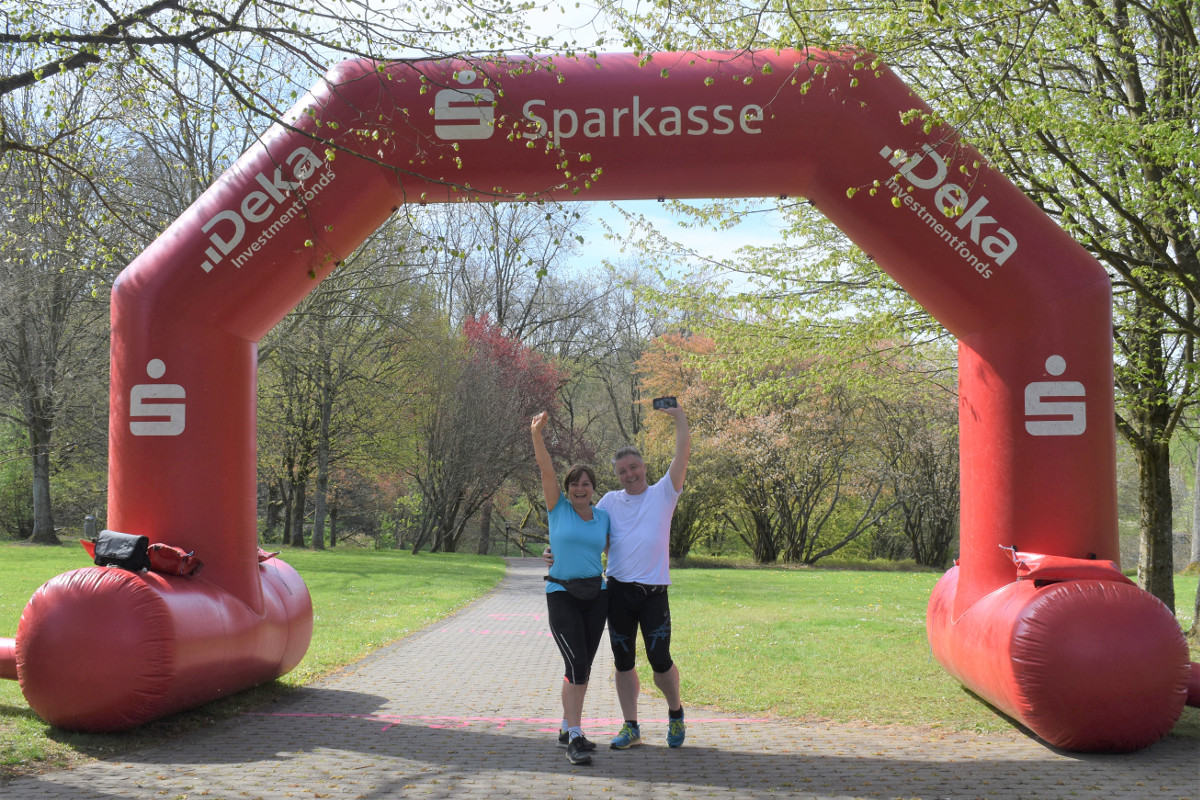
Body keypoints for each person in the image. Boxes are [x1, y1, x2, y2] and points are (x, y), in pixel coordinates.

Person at [544, 398, 691, 750]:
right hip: (618, 593)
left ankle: (675, 713)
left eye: (634, 467)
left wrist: (680, 419)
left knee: (660, 661)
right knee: (624, 663)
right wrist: (555, 553)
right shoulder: (608, 502)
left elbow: (682, 455)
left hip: (654, 594)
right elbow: (583, 532)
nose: (630, 474)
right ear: (617, 475)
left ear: (643, 467)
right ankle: (631, 726)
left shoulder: (664, 493)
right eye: (623, 470)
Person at [531, 410, 610, 766]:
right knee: (576, 662)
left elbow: (619, 548)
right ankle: (575, 737)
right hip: (561, 593)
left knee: (584, 666)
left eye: (586, 484)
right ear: (566, 489)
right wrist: (537, 434)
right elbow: (547, 470)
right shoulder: (557, 508)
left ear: (594, 489)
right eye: (575, 484)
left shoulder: (603, 516)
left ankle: (568, 726)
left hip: (597, 595)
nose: (580, 488)